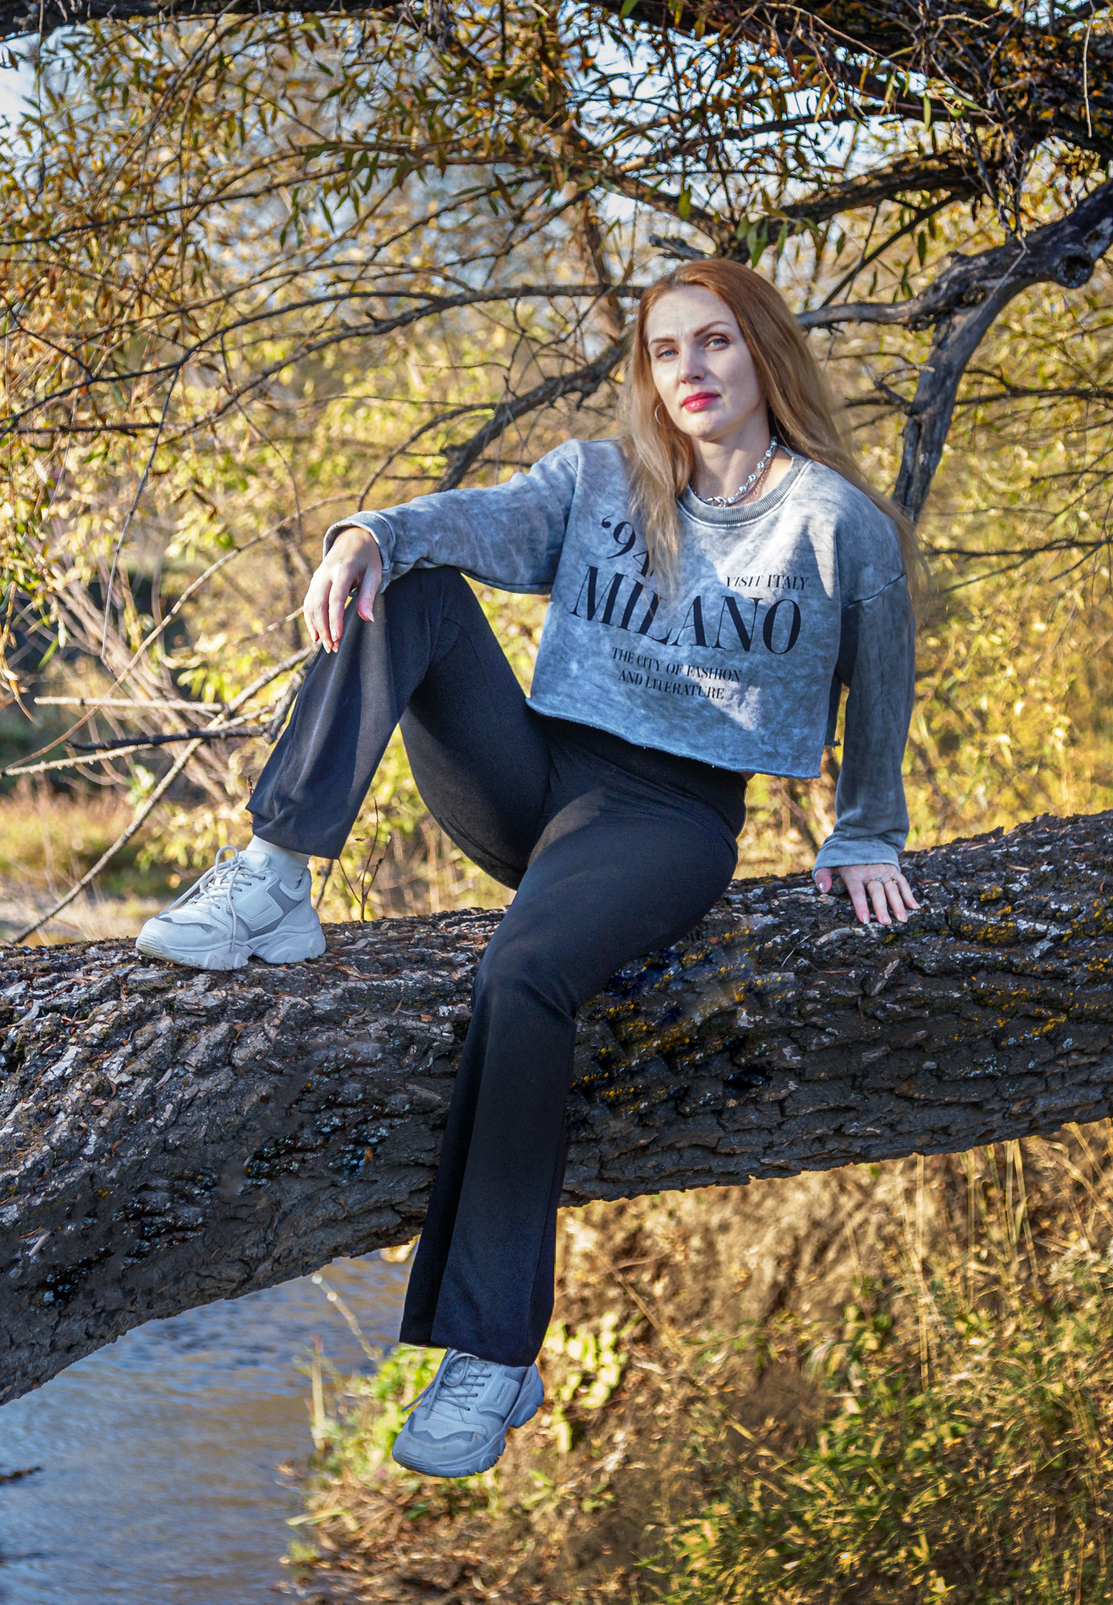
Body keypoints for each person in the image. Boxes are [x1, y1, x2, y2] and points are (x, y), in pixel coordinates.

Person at [137, 258, 920, 1477]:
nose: (691, 369)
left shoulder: (833, 521)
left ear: (763, 351)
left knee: (520, 977)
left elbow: (884, 673)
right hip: (535, 779)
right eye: (666, 349)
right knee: (411, 587)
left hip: (664, 818)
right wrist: (368, 534)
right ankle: (276, 874)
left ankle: (491, 1354)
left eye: (715, 341)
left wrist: (866, 830)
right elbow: (476, 519)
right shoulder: (601, 480)